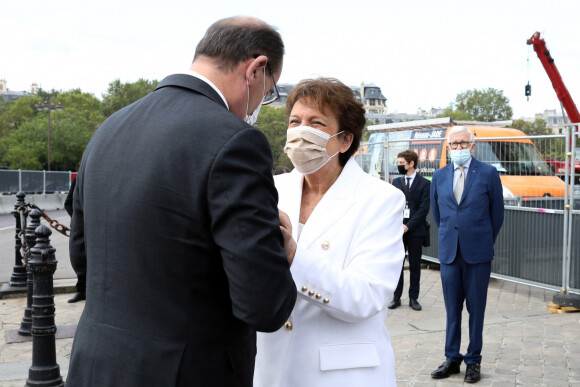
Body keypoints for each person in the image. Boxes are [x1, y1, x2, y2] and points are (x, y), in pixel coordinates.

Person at [66, 17, 297, 387]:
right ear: (256, 68)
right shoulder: (235, 141)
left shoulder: (109, 128)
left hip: (96, 365)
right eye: (268, 92)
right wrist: (279, 252)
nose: (261, 105)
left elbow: (83, 258)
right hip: (185, 372)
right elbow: (263, 305)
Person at [254, 77, 406, 387]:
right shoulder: (270, 189)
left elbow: (366, 296)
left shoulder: (380, 199)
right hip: (268, 368)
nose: (300, 131)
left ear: (345, 140)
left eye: (316, 123)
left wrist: (293, 255)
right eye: (295, 121)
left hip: (340, 375)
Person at [430, 126, 504, 383]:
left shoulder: (488, 173)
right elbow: (439, 215)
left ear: (473, 146)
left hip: (477, 254)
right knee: (452, 310)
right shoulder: (439, 176)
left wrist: (481, 240)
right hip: (450, 253)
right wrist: (454, 236)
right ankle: (452, 358)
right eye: (454, 144)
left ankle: (473, 360)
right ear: (448, 147)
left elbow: (497, 215)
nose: (458, 148)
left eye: (463, 143)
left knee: (476, 310)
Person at [389, 149, 430, 311]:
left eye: (401, 164)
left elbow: (424, 209)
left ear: (411, 164)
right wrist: (398, 225)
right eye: (398, 163)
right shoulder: (396, 183)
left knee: (414, 266)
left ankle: (414, 298)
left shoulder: (425, 184)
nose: (399, 166)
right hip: (398, 230)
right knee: (398, 265)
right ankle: (396, 297)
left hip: (415, 231)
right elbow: (391, 205)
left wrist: (408, 225)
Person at [63, 174, 85, 303]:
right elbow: (68, 203)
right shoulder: (78, 180)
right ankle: (81, 290)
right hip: (81, 225)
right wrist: (77, 218)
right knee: (79, 255)